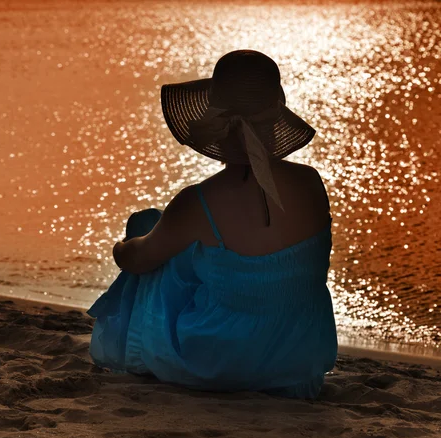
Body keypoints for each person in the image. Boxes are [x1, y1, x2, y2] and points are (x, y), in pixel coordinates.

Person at [86, 50, 337, 399]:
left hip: (219, 364)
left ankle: (132, 353)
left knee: (147, 228)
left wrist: (121, 247)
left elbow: (137, 260)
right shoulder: (311, 183)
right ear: (277, 111)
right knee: (181, 241)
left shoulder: (199, 202)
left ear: (214, 119)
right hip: (296, 367)